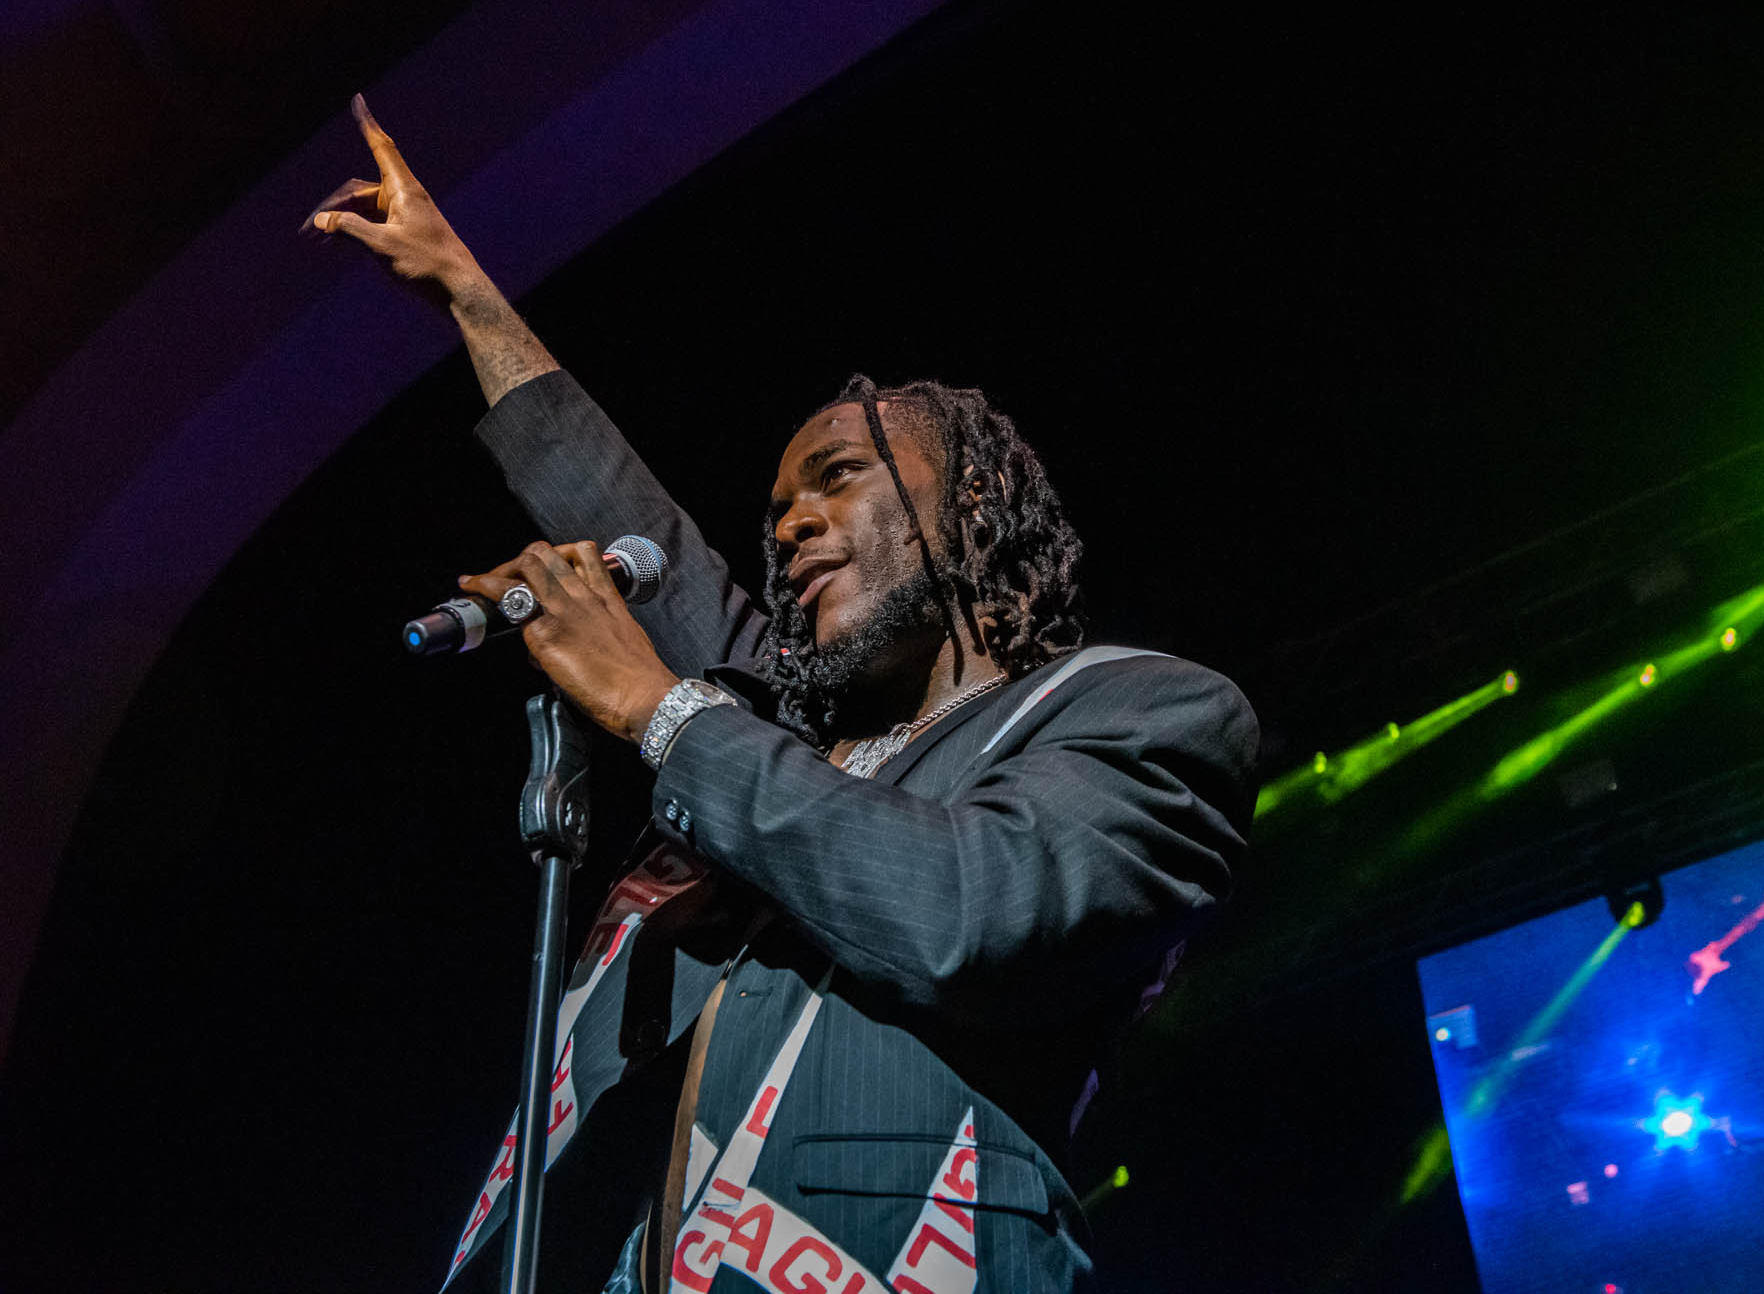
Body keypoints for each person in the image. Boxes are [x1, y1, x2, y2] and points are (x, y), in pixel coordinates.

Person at [309, 95, 1257, 1294]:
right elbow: (629, 522)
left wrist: (662, 711)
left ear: (968, 508)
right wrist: (467, 293)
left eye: (839, 477)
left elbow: (969, 915)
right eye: (778, 510)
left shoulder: (1146, 712)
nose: (793, 520)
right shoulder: (786, 724)